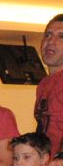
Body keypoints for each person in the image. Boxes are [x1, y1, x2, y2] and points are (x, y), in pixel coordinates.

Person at [34, 13, 63, 156]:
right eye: (48, 35)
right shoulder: (43, 84)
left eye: (61, 36)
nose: (51, 41)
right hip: (47, 163)